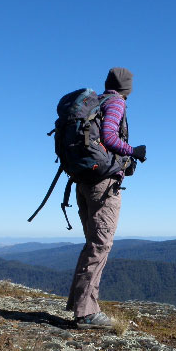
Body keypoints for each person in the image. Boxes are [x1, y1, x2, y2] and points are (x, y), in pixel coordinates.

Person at [65, 67, 147, 328]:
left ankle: (82, 305)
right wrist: (133, 150)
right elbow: (110, 136)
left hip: (83, 181)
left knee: (93, 243)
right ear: (128, 88)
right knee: (100, 244)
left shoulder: (95, 103)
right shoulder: (115, 103)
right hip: (103, 185)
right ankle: (86, 313)